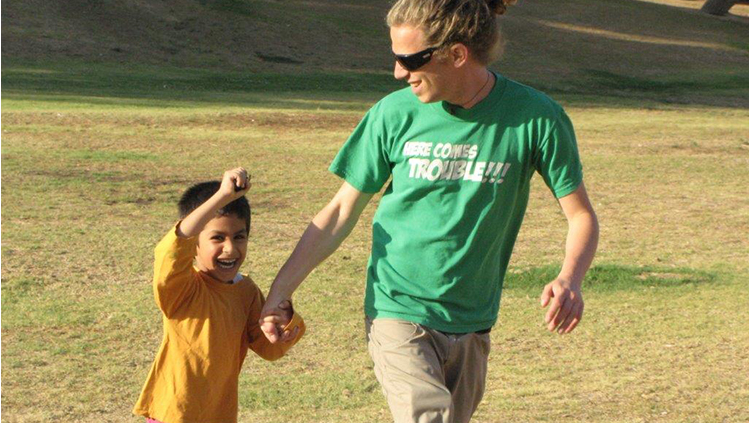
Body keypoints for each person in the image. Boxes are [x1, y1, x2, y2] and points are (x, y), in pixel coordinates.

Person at [260, 0, 599, 421]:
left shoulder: (535, 117)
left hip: (473, 318)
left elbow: (580, 215)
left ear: (457, 55)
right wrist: (280, 292)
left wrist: (571, 278)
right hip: (397, 309)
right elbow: (339, 212)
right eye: (396, 59)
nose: (399, 73)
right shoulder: (393, 113)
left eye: (411, 60)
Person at [133, 167, 305, 423]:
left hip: (219, 414)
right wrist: (222, 197)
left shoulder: (245, 291)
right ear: (195, 244)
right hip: (173, 414)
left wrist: (285, 322)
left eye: (239, 237)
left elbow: (269, 348)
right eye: (217, 237)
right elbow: (171, 249)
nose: (230, 248)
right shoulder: (180, 289)